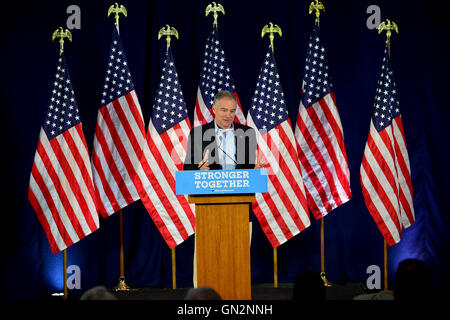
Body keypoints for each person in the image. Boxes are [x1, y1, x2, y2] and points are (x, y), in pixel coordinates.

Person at [184, 90, 263, 171]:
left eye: (232, 111)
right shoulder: (198, 133)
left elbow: (253, 166)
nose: (228, 115)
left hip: (239, 182)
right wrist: (199, 167)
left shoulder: (248, 132)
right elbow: (187, 168)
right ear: (214, 109)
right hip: (211, 182)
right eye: (224, 110)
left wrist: (256, 169)